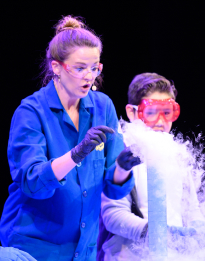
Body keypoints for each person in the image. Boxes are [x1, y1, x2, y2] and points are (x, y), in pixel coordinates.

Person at [0, 15, 140, 261]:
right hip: (34, 247)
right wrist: (76, 154)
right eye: (80, 68)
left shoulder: (102, 106)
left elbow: (113, 188)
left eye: (95, 68)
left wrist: (122, 167)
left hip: (83, 250)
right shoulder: (31, 112)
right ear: (56, 67)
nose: (89, 76)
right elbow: (32, 182)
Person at [98, 73, 205, 260]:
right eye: (151, 112)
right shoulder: (123, 153)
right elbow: (112, 215)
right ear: (132, 113)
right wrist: (153, 233)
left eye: (167, 112)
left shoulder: (176, 152)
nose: (161, 122)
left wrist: (197, 230)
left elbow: (191, 207)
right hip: (130, 255)